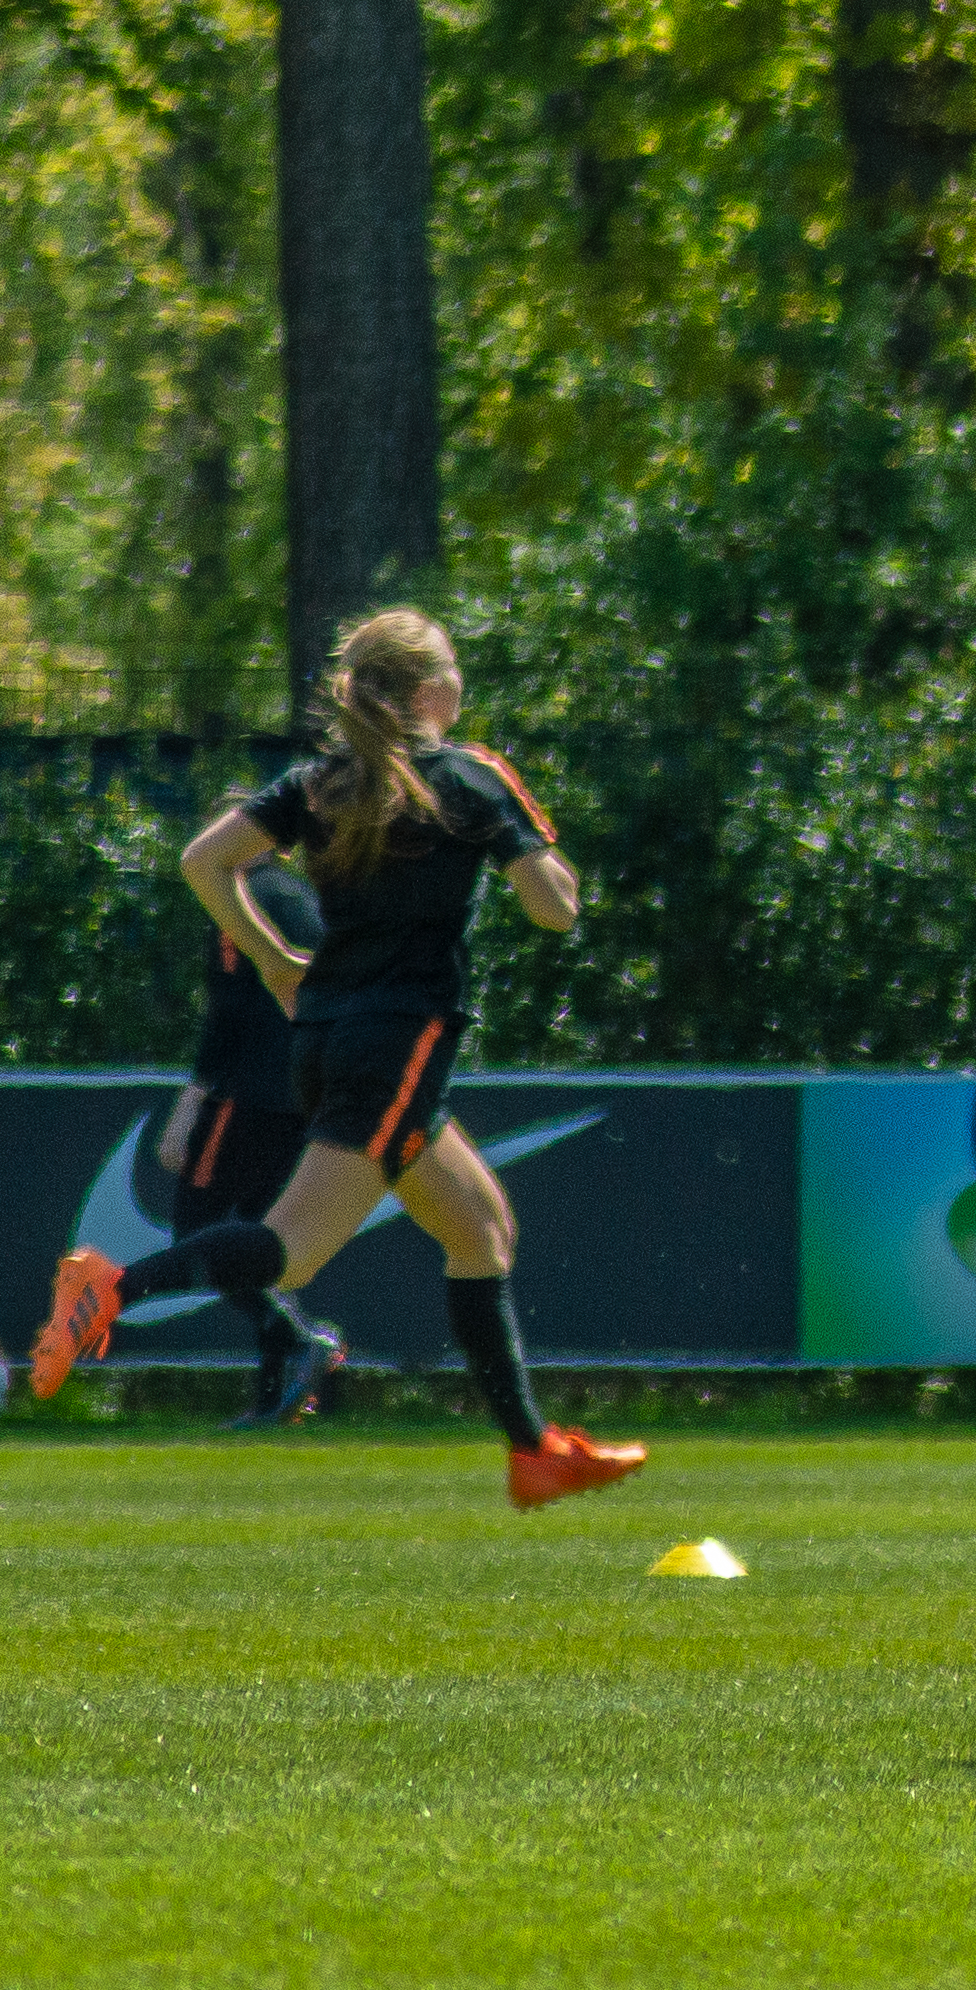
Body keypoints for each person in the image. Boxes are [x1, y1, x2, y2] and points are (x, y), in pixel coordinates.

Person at [30, 609, 646, 1508]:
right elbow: (555, 910)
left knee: (479, 1230)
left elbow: (207, 861)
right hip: (401, 1041)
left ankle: (532, 1450)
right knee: (293, 1252)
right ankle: (113, 1285)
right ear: (434, 689)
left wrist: (276, 959)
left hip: (327, 1035)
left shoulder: (323, 780)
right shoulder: (469, 778)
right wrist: (537, 848)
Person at [154, 845, 348, 1425]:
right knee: (267, 1243)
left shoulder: (237, 898)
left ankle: (296, 1339)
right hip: (307, 1094)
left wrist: (193, 1099)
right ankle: (276, 1395)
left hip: (247, 1094)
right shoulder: (302, 897)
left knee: (197, 1229)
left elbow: (230, 1012)